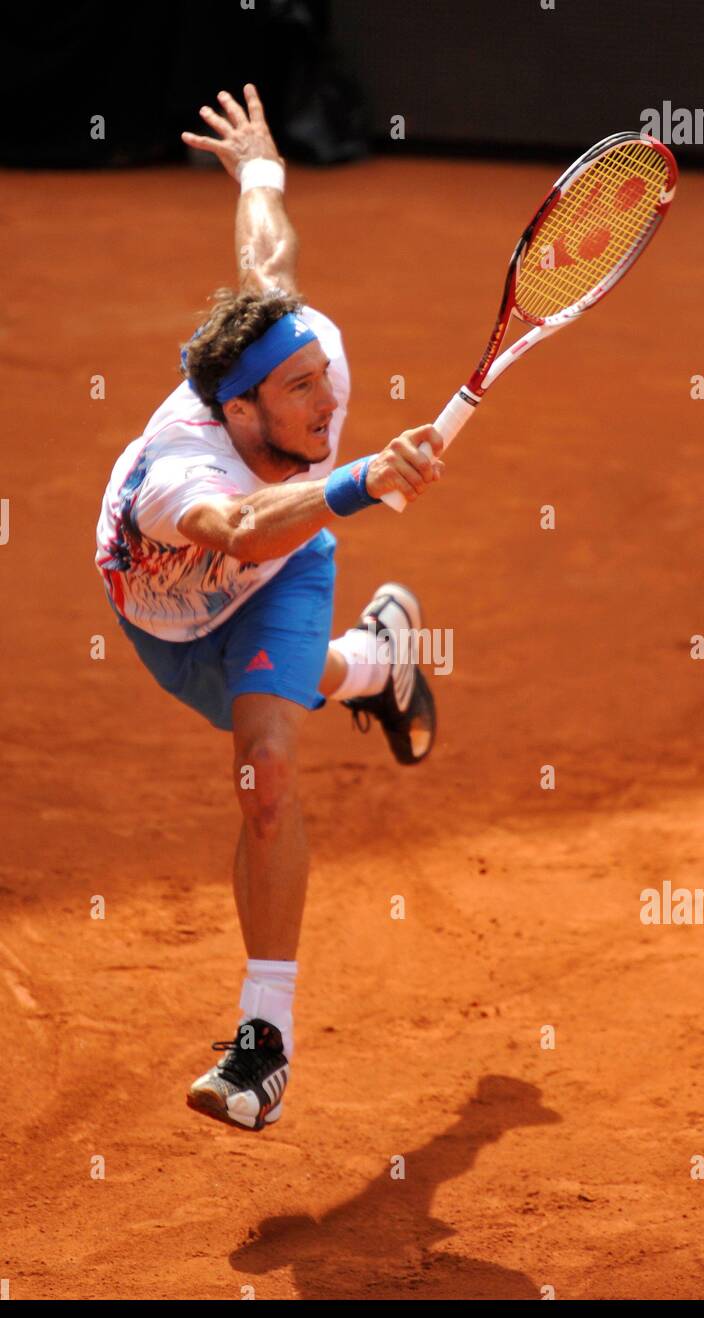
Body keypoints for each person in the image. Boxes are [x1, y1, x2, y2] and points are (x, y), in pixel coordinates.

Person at [95, 83, 443, 1133]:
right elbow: (237, 530)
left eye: (321, 377)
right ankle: (380, 663)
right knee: (300, 683)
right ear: (238, 409)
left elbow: (267, 264)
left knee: (267, 770)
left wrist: (260, 169)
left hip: (281, 573)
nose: (329, 401)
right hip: (169, 620)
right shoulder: (174, 469)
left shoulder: (299, 355)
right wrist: (361, 480)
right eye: (299, 392)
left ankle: (262, 1043)